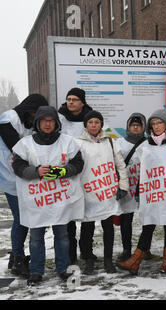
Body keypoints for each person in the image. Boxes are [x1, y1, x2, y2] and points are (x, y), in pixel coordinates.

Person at [11, 106, 84, 285]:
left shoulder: (68, 142)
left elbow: (78, 163)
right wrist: (36, 171)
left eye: (51, 120)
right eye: (44, 120)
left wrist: (64, 171)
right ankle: (36, 270)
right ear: (38, 122)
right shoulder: (25, 143)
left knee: (62, 235)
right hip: (37, 200)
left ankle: (63, 268)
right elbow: (18, 167)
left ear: (56, 123)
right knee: (36, 237)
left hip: (60, 199)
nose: (48, 124)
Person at [117, 109, 166, 274]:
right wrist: (138, 191)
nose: (156, 127)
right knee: (148, 224)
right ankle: (135, 261)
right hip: (153, 193)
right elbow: (143, 172)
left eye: (159, 123)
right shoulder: (145, 146)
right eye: (153, 124)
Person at [0, 93, 48, 278]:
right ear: (29, 110)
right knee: (21, 220)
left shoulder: (27, 122)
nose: (36, 118)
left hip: (25, 178)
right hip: (11, 178)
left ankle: (16, 255)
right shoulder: (8, 118)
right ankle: (18, 259)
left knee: (25, 220)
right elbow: (18, 148)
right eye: (36, 114)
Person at [77, 110, 129, 275]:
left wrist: (123, 186)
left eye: (97, 122)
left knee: (108, 228)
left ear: (101, 124)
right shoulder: (77, 143)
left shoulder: (111, 142)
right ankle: (88, 260)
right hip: (88, 193)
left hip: (107, 192)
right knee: (87, 229)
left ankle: (108, 260)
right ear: (86, 125)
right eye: (90, 122)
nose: (94, 125)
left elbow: (120, 165)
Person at [58, 87, 93, 264]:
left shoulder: (91, 117)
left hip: (88, 171)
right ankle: (70, 254)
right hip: (68, 172)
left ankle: (87, 250)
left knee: (89, 215)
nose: (70, 102)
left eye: (74, 99)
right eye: (68, 99)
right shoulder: (59, 118)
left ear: (82, 102)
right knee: (69, 216)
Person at [115, 113, 147, 262]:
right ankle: (126, 249)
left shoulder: (148, 143)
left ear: (143, 127)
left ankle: (144, 249)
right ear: (128, 126)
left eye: (138, 125)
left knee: (147, 220)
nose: (135, 127)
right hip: (127, 186)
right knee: (126, 220)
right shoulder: (119, 143)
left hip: (145, 187)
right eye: (133, 125)